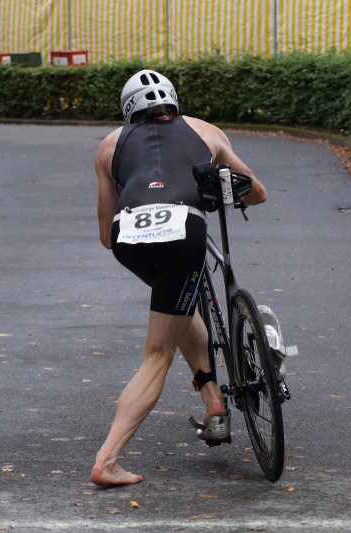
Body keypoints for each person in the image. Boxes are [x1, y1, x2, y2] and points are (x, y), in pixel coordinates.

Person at [91, 69, 266, 486]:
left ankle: (214, 402)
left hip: (130, 241)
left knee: (175, 303)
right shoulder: (206, 131)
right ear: (173, 101)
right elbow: (257, 192)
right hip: (185, 232)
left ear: (129, 111)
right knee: (157, 356)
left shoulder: (109, 145)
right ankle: (106, 462)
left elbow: (105, 236)